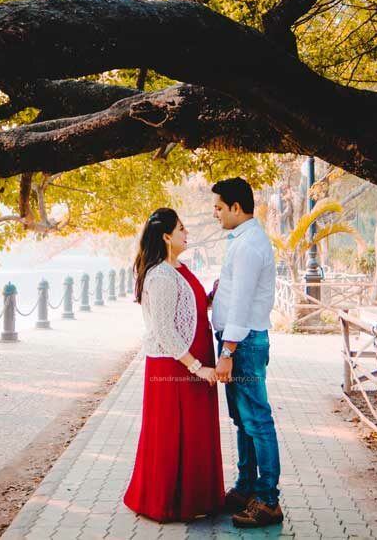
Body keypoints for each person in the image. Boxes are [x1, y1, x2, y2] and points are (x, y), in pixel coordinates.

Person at [123, 207, 225, 522]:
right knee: (172, 435)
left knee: (194, 434)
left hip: (191, 361)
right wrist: (198, 367)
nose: (187, 233)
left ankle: (196, 499)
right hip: (175, 367)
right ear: (166, 236)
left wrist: (211, 296)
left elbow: (190, 310)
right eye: (181, 229)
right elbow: (165, 331)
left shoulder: (179, 267)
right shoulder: (162, 275)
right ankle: (168, 502)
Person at [209, 177, 284, 528]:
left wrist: (227, 351)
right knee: (243, 421)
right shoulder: (242, 241)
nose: (216, 214)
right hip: (238, 340)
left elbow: (241, 305)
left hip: (244, 343)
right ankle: (246, 487)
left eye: (219, 208)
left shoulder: (250, 244)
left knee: (257, 420)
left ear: (236, 208)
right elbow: (235, 292)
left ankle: (268, 500)